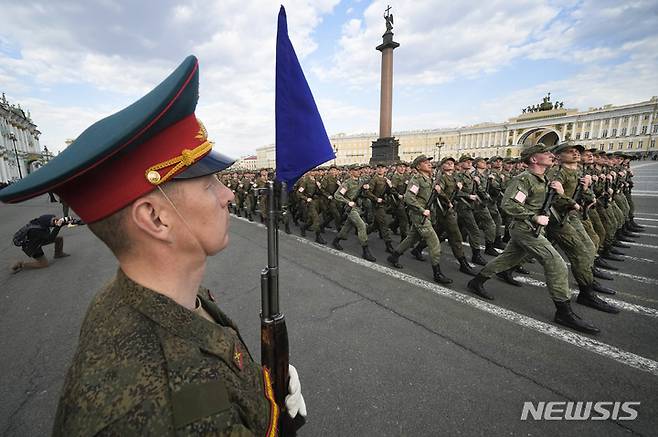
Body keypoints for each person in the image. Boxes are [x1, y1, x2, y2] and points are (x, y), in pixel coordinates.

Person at [0, 56, 306, 435]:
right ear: (156, 218)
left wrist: (264, 399)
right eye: (210, 183)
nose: (228, 195)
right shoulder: (147, 413)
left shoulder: (151, 298)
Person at [466, 144, 602, 334]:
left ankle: (476, 282)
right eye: (545, 153)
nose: (550, 155)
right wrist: (533, 217)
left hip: (534, 229)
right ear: (533, 159)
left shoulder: (544, 179)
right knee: (556, 263)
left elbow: (552, 202)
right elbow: (509, 204)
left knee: (507, 259)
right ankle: (563, 312)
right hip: (525, 229)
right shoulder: (524, 180)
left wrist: (563, 195)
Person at [386, 155, 453, 284]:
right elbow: (409, 198)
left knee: (411, 238)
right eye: (425, 162)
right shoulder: (416, 179)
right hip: (419, 215)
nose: (429, 164)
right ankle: (437, 273)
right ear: (418, 166)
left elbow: (435, 193)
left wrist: (444, 198)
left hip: (426, 215)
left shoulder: (429, 179)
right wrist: (422, 210)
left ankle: (393, 257)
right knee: (434, 243)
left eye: (429, 162)